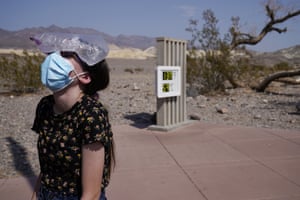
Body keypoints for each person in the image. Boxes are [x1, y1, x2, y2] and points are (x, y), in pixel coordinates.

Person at [30, 32, 115, 200]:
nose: (54, 59)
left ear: (84, 76)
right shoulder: (45, 106)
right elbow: (48, 167)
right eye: (53, 53)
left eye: (66, 55)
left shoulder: (91, 115)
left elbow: (91, 194)